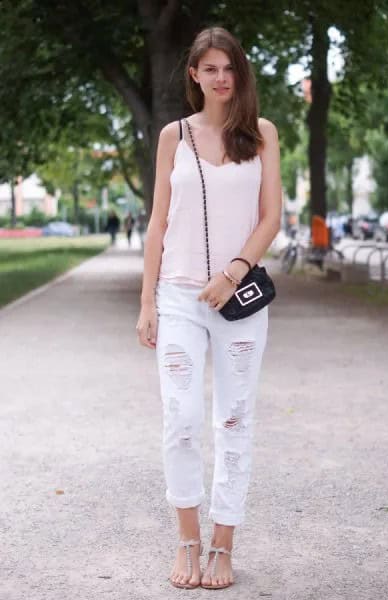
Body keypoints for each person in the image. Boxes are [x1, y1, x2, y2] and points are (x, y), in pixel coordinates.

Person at [136, 26, 281, 590]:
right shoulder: (174, 136)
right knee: (182, 420)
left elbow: (269, 218)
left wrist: (232, 273)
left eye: (230, 68)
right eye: (210, 69)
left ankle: (224, 544)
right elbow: (157, 220)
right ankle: (188, 540)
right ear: (194, 75)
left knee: (234, 419)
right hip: (177, 296)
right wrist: (147, 301)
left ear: (240, 74)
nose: (222, 78)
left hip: (238, 302)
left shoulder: (261, 134)